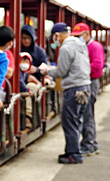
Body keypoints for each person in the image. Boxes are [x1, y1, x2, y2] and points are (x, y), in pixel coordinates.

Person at [42, 22, 91, 164]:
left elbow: (61, 71)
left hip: (73, 89)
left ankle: (73, 154)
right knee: (77, 121)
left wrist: (47, 70)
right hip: (85, 87)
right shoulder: (80, 44)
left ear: (57, 35)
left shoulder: (66, 48)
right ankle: (74, 150)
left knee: (69, 121)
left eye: (54, 38)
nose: (54, 42)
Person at [73, 23, 104, 156]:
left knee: (87, 114)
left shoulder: (94, 47)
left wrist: (79, 67)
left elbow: (97, 66)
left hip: (91, 82)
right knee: (85, 113)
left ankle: (89, 143)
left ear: (86, 34)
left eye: (79, 36)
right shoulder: (84, 46)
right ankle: (90, 142)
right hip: (86, 81)